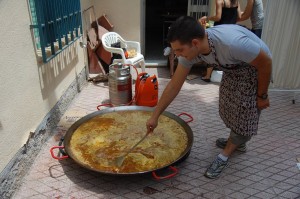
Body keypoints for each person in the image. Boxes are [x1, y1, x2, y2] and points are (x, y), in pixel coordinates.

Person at [146, 16, 272, 179]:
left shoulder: (232, 43)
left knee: (244, 114)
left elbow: (265, 62)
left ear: (195, 43)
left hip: (255, 68)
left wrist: (262, 95)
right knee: (228, 106)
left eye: (179, 50)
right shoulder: (192, 49)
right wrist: (154, 116)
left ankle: (225, 155)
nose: (177, 55)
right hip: (233, 67)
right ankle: (238, 142)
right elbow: (173, 86)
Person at [199, 0, 241, 82]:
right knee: (228, 54)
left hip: (219, 32)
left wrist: (207, 18)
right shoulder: (236, 2)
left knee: (212, 51)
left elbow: (218, 17)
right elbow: (239, 17)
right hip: (231, 31)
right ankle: (227, 77)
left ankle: (207, 76)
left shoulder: (220, 1)